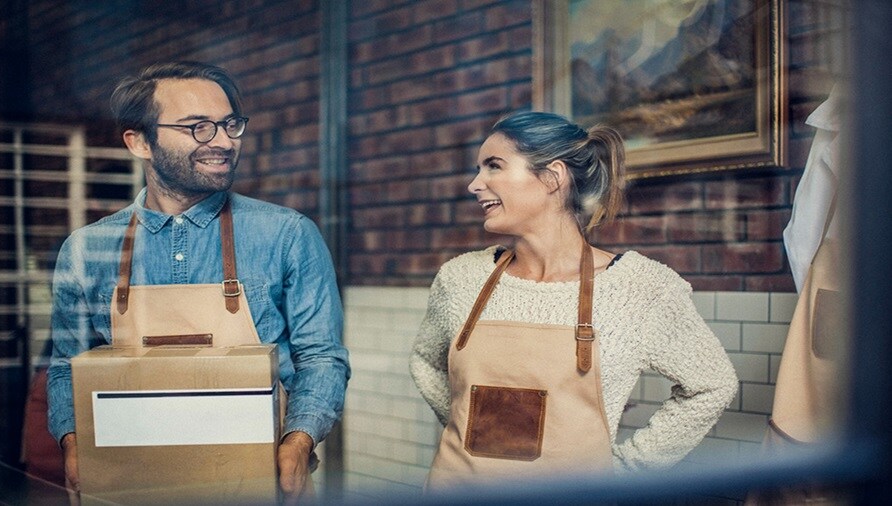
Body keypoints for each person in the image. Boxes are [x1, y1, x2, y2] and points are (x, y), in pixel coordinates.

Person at [47, 61, 350, 500]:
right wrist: (72, 441)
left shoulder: (286, 234)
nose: (224, 142)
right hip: (126, 483)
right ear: (139, 142)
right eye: (199, 127)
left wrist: (299, 441)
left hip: (255, 482)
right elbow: (64, 368)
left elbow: (322, 357)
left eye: (230, 125)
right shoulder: (85, 249)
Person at [409, 111, 738, 490]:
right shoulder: (460, 278)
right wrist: (463, 422)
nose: (474, 184)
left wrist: (625, 470)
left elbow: (712, 384)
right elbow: (425, 360)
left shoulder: (641, 288)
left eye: (493, 166)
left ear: (553, 177)